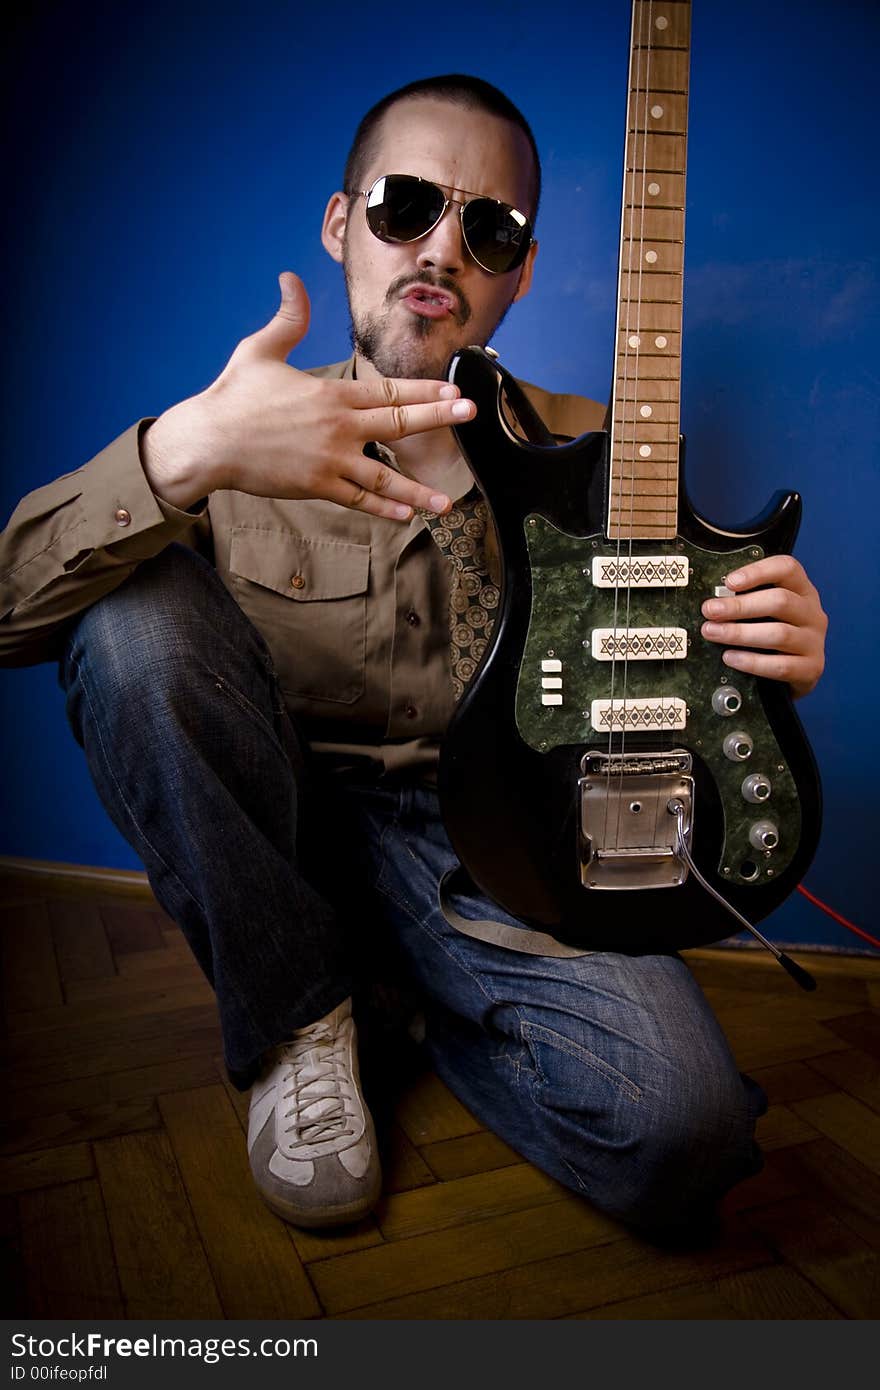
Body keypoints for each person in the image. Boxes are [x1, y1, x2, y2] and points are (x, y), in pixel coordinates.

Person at [0, 75, 827, 1242]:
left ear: (520, 270)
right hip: (275, 838)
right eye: (405, 206)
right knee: (127, 624)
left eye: (488, 229)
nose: (441, 248)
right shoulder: (232, 429)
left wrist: (767, 652)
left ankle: (407, 1006)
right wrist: (185, 450)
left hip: (493, 853)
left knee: (683, 1134)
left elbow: (673, 691)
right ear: (342, 225)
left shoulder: (602, 454)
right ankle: (298, 1018)